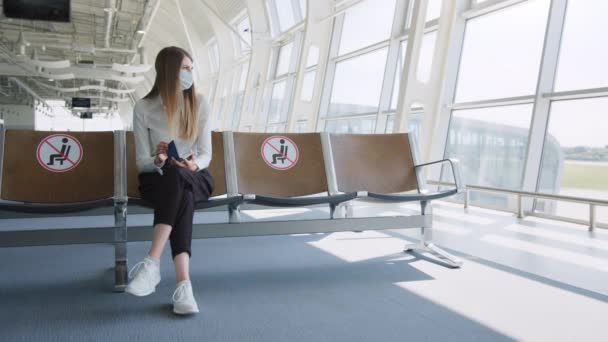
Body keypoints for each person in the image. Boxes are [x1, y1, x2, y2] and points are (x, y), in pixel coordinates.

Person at [125, 46, 214, 315]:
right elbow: (141, 160)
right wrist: (160, 159)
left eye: (190, 68)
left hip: (196, 175)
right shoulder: (144, 107)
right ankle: (184, 286)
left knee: (181, 178)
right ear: (168, 71)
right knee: (179, 187)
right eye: (184, 68)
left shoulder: (199, 103)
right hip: (158, 178)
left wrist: (193, 164)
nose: (189, 73)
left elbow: (206, 153)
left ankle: (152, 262)